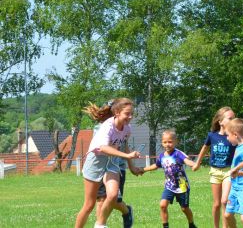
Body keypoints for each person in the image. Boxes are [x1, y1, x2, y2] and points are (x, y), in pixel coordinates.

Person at [75, 98, 141, 228]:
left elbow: (124, 145)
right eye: (127, 113)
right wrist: (127, 155)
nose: (130, 117)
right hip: (95, 163)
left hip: (112, 163)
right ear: (117, 112)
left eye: (131, 113)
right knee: (89, 205)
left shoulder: (127, 129)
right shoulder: (107, 126)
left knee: (112, 195)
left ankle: (100, 225)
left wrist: (131, 166)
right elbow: (103, 148)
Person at [142, 130, 199, 228]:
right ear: (162, 143)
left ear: (175, 142)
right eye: (165, 142)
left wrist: (194, 165)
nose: (167, 144)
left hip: (182, 186)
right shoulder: (161, 156)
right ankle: (165, 226)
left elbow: (187, 161)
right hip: (169, 186)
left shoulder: (178, 154)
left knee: (184, 208)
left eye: (170, 142)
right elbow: (156, 165)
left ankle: (191, 224)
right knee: (163, 205)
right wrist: (143, 169)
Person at [192, 107, 237, 228]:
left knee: (224, 201)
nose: (233, 120)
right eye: (230, 118)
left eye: (234, 118)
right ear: (220, 121)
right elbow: (204, 148)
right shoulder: (212, 135)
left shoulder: (233, 136)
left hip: (228, 171)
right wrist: (197, 163)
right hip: (215, 171)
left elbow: (240, 150)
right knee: (217, 203)